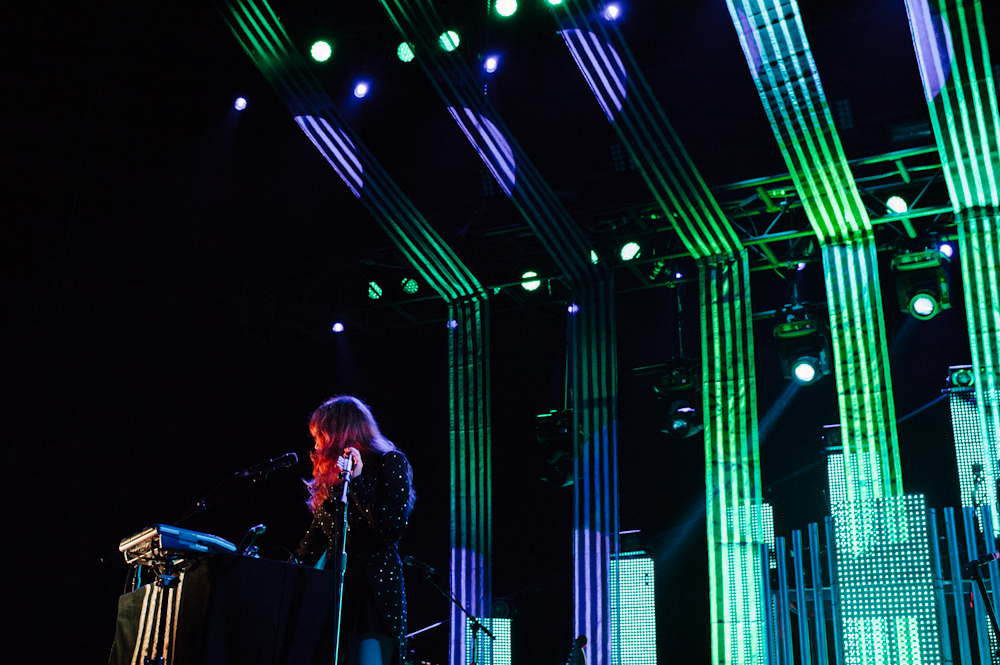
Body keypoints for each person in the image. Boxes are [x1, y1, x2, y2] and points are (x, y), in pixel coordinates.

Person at [291, 396, 416, 665]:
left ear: (339, 434)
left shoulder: (388, 462)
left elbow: (392, 527)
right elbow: (312, 543)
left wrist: (357, 482)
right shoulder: (333, 480)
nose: (315, 445)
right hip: (332, 591)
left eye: (320, 435)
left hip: (371, 592)